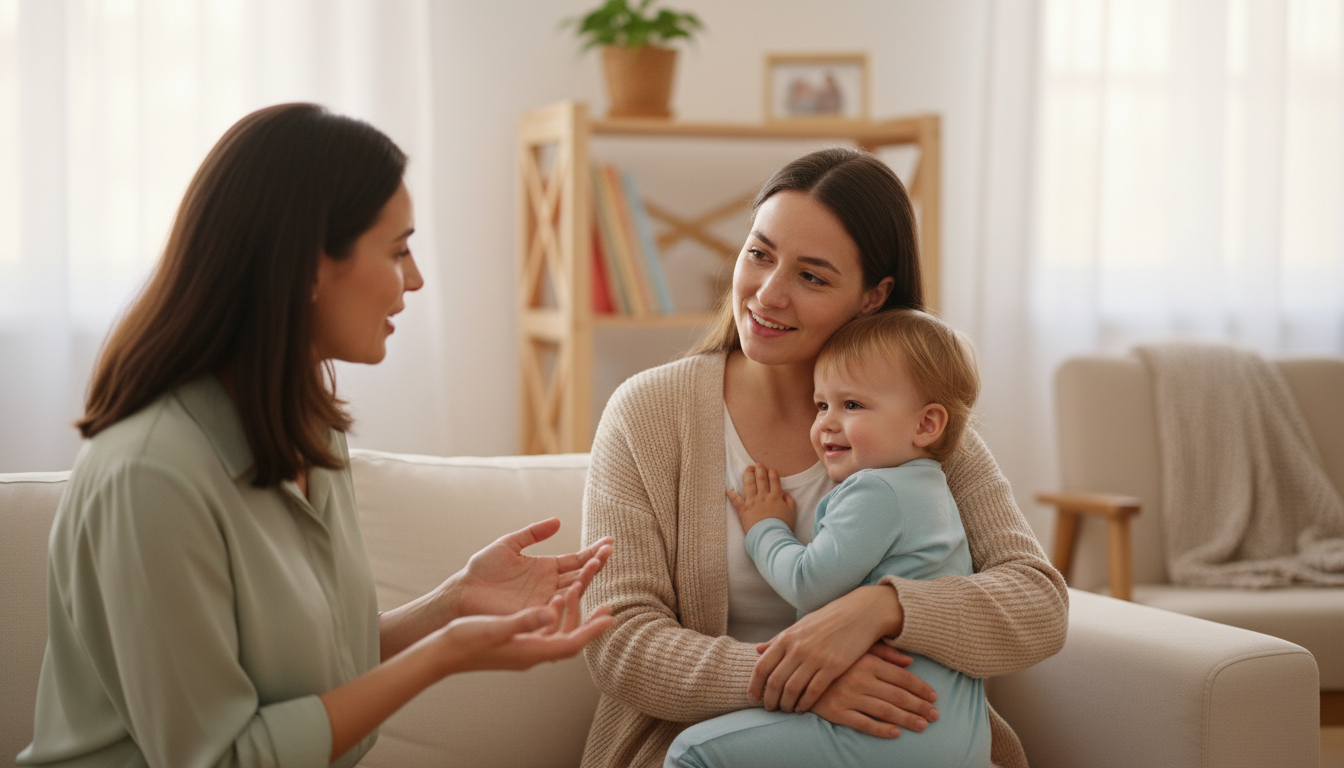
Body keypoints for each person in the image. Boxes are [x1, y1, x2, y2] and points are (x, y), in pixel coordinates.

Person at [17, 103, 614, 768]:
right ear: (306, 266)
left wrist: (453, 605)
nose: (414, 279)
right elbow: (221, 759)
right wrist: (445, 657)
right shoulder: (149, 476)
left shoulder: (308, 434)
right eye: (397, 250)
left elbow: (310, 675)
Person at [579, 147, 1067, 768]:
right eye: (759, 254)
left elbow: (1038, 603)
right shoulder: (648, 414)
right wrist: (805, 680)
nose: (768, 294)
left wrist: (884, 608)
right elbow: (618, 639)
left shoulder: (914, 422)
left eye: (812, 276)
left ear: (873, 296)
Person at [665, 309, 989, 768]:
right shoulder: (930, 486)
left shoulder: (876, 489)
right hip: (956, 732)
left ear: (926, 425)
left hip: (888, 727)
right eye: (822, 405)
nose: (826, 424)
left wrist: (765, 526)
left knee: (691, 753)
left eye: (852, 405)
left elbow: (807, 581)